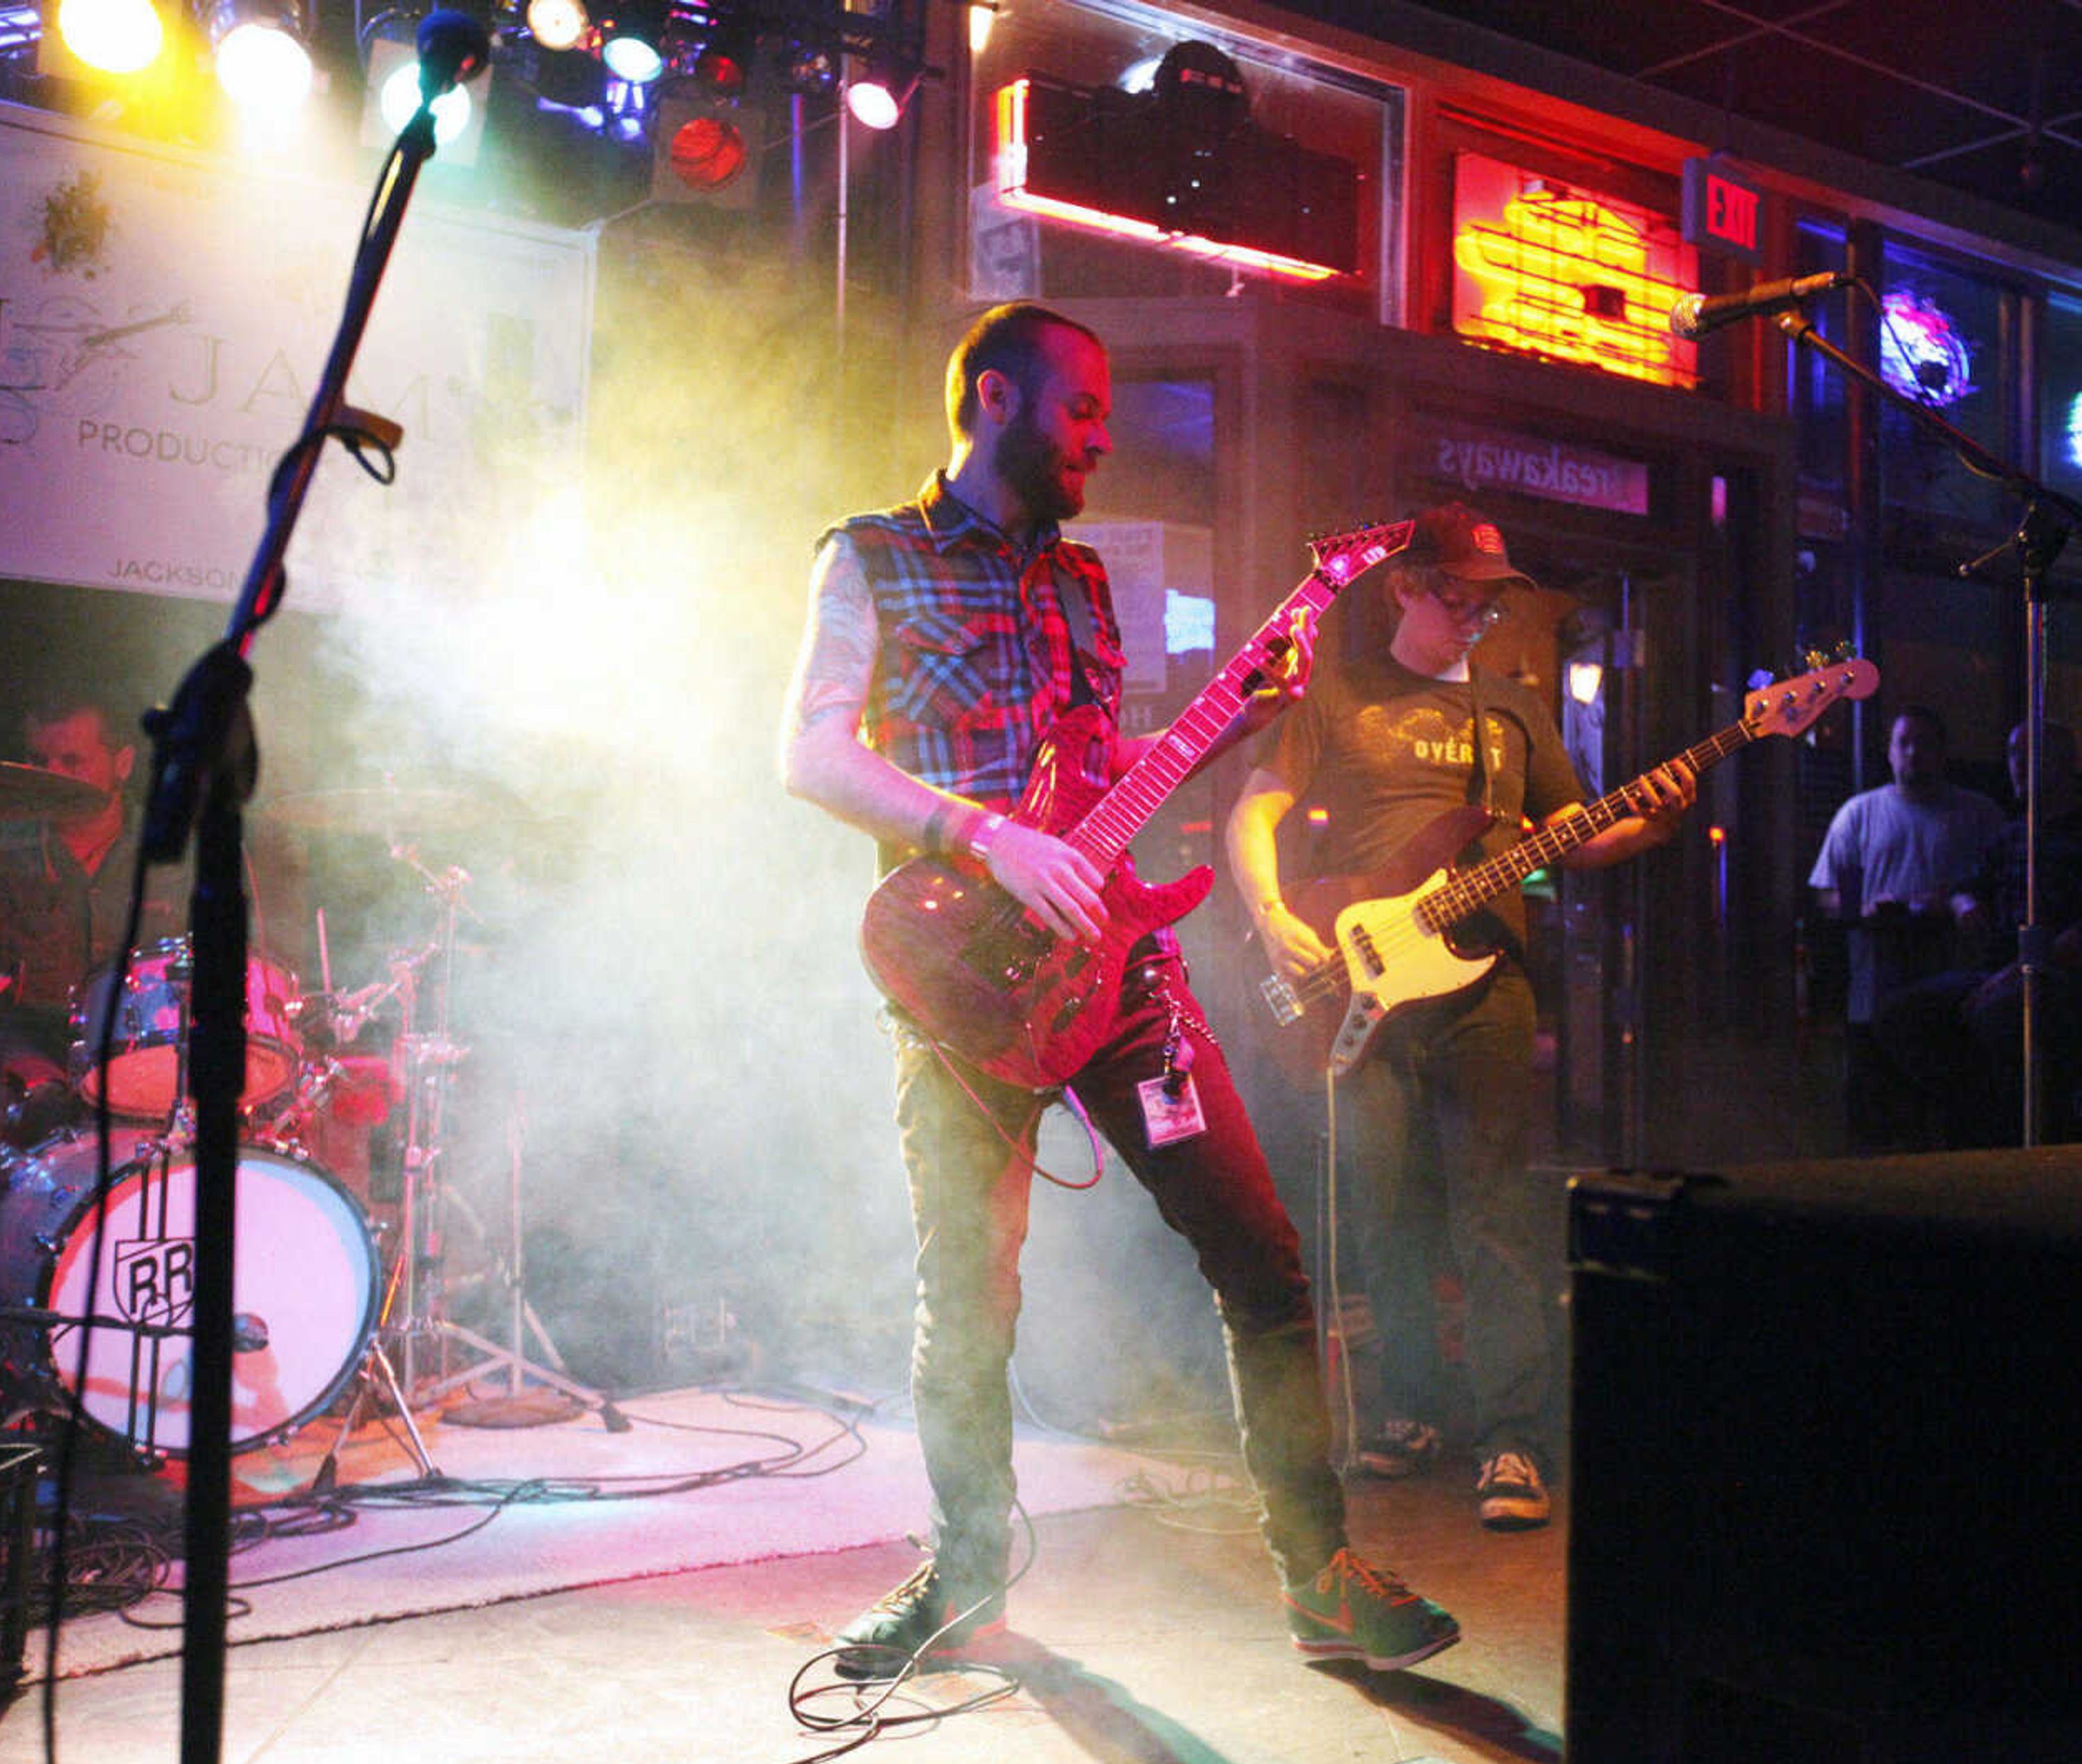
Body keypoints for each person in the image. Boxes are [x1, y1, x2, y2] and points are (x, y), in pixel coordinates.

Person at [778, 302, 1457, 1677]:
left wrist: (1230, 722)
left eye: (1101, 413)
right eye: (1078, 409)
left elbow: (1104, 767)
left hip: (1122, 967)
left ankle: (1318, 1572)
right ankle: (962, 1583)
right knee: (969, 1293)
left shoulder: (1085, 583)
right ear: (990, 401)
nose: (1099, 435)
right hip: (967, 981)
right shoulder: (872, 558)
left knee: (1259, 1250)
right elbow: (807, 752)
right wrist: (982, 835)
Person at [1224, 502, 1693, 1532]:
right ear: (1403, 585)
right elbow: (1252, 812)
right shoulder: (1336, 693)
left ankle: (1513, 1437)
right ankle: (1408, 1418)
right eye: (1457, 594)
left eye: (1490, 600)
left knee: (1492, 1214)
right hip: (1362, 982)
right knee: (1383, 1207)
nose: (1476, 614)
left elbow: (1570, 837)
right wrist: (1270, 919)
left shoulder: (1513, 709)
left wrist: (1647, 822)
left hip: (1486, 980)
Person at [1870, 721, 2082, 1147]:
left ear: (2065, 763)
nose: (2018, 767)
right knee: (1898, 1014)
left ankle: (2014, 1138)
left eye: (2030, 754)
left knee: (1997, 1016)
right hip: (1994, 971)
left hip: (2064, 980)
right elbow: (1969, 885)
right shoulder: (2011, 836)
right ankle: (1964, 1125)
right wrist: (1963, 903)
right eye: (2012, 755)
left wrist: (2025, 970)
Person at [1806, 704, 2006, 1146]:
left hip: (1959, 996)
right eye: (1905, 743)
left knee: (1951, 1121)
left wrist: (1956, 905)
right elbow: (1829, 897)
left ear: (1944, 752)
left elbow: (2006, 892)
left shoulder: (1978, 817)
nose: (1914, 753)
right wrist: (1869, 909)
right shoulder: (1859, 817)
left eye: (1925, 743)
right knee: (1877, 1122)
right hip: (1874, 992)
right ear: (1891, 752)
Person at [0, 691, 183, 1132]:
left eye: (72, 761)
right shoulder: (3, 852)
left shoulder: (178, 853)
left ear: (123, 763)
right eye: (39, 762)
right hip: (27, 1046)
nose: (52, 777)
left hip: (149, 1056)